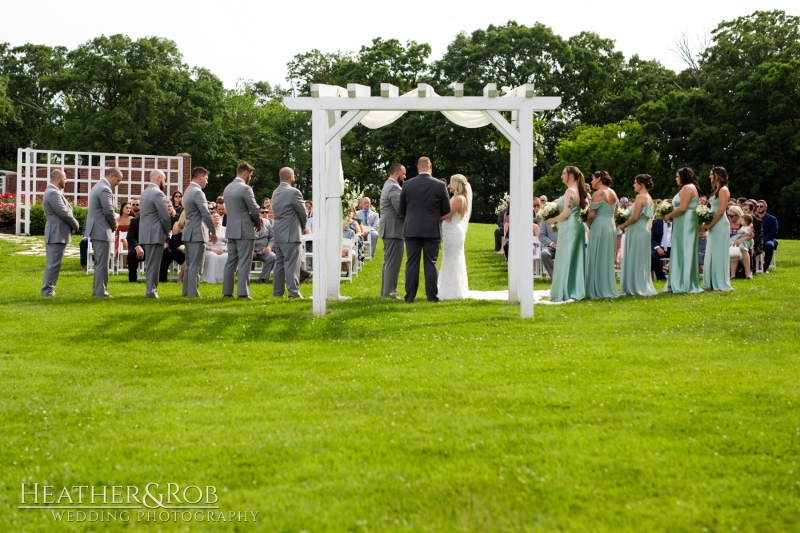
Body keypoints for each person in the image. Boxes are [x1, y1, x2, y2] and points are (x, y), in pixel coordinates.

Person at [398, 156, 451, 303]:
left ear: (417, 167)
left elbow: (401, 209)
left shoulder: (407, 185)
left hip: (412, 229)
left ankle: (409, 297)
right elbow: (446, 209)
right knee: (430, 263)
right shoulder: (440, 186)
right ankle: (432, 297)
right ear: (431, 167)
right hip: (431, 229)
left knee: (412, 262)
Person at [546, 166, 587, 302]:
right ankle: (572, 289)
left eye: (563, 173)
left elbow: (567, 213)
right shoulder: (576, 190)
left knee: (565, 258)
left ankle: (564, 290)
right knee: (571, 258)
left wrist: (553, 219)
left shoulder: (570, 191)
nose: (561, 176)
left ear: (570, 175)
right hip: (573, 226)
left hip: (569, 227)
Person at [222, 162, 262, 299]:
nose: (250, 178)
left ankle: (227, 291)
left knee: (231, 261)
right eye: (250, 175)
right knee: (245, 261)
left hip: (231, 229)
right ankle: (243, 292)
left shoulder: (227, 188)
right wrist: (258, 223)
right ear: (245, 174)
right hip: (244, 229)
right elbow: (255, 209)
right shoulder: (245, 189)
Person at [662, 167, 702, 294]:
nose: (676, 179)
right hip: (683, 220)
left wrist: (668, 216)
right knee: (682, 248)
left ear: (683, 177)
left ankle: (683, 282)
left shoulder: (687, 188)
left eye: (677, 176)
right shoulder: (690, 187)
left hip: (686, 221)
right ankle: (682, 280)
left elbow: (683, 208)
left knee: (684, 248)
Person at [41, 169, 80, 297]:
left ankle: (49, 289)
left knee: (55, 263)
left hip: (58, 233)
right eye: (65, 178)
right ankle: (47, 291)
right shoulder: (53, 193)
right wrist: (75, 224)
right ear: (58, 179)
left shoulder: (54, 192)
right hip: (56, 233)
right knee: (54, 263)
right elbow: (64, 212)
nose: (66, 181)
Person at [85, 167, 123, 297]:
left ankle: (98, 290)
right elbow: (108, 209)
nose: (118, 184)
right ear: (111, 176)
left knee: (100, 261)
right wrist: (115, 223)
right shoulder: (105, 189)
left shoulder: (98, 186)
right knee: (103, 262)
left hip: (96, 228)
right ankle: (101, 291)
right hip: (101, 228)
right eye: (118, 181)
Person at [617, 174, 656, 296]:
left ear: (642, 184)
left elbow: (635, 216)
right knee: (640, 258)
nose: (633, 185)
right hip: (644, 229)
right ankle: (640, 284)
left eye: (635, 182)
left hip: (637, 229)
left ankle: (635, 286)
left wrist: (622, 225)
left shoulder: (640, 197)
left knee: (635, 257)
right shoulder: (649, 197)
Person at [272, 167, 307, 299]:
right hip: (291, 233)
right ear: (291, 177)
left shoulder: (275, 192)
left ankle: (277, 292)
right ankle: (293, 292)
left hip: (278, 233)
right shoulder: (294, 192)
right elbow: (302, 212)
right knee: (292, 263)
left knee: (279, 263)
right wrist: (302, 226)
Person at [181, 167, 217, 298]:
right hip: (197, 232)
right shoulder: (198, 192)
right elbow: (206, 214)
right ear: (201, 176)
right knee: (196, 265)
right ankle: (193, 292)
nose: (207, 182)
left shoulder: (188, 190)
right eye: (206, 178)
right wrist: (213, 231)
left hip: (189, 230)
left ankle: (186, 291)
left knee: (190, 264)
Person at [585, 170, 620, 299]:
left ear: (599, 179)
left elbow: (592, 213)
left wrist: (588, 223)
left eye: (593, 179)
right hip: (610, 225)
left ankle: (597, 288)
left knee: (597, 255)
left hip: (600, 225)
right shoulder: (613, 193)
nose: (591, 181)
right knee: (606, 257)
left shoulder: (598, 193)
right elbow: (616, 214)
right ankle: (607, 286)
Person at [437, 174, 472, 300]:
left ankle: (451, 291)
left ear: (456, 185)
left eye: (451, 183)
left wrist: (433, 214)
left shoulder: (459, 199)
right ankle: (450, 289)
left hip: (452, 232)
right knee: (450, 259)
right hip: (451, 231)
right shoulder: (459, 197)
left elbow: (446, 215)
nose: (448, 186)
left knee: (451, 260)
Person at [138, 170, 171, 298]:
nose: (165, 182)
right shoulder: (158, 194)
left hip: (146, 232)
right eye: (164, 179)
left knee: (151, 263)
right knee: (154, 264)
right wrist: (167, 231)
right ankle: (151, 291)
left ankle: (150, 289)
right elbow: (164, 216)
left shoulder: (145, 192)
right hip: (155, 233)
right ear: (159, 178)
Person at [702, 166, 732, 291]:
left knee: (719, 252)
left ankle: (720, 281)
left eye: (711, 174)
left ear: (718, 175)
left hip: (720, 224)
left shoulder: (723, 190)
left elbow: (720, 211)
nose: (709, 177)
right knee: (712, 252)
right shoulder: (716, 190)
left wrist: (710, 224)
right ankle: (711, 281)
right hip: (714, 223)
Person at [378, 163, 406, 299]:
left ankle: (386, 292)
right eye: (403, 174)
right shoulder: (394, 186)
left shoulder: (387, 185)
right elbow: (400, 209)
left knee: (388, 262)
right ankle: (390, 293)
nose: (405, 177)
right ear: (397, 174)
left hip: (389, 229)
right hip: (394, 230)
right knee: (392, 263)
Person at [203, 213, 228, 283]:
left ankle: (223, 279)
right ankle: (211, 279)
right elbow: (203, 243)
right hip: (210, 249)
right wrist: (212, 249)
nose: (216, 218)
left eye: (217, 216)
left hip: (222, 250)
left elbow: (229, 242)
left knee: (226, 256)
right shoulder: (206, 230)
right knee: (213, 256)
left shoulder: (225, 229)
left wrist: (224, 249)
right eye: (214, 217)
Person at [253, 208, 276, 284]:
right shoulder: (248, 222)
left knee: (272, 257)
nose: (264, 213)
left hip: (263, 250)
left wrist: (269, 247)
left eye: (266, 212)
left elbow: (272, 237)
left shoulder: (267, 223)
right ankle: (243, 279)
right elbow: (244, 240)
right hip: (250, 251)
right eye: (262, 212)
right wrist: (249, 251)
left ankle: (262, 278)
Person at [756, 200, 778, 272]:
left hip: (768, 239)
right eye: (757, 206)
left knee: (769, 246)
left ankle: (765, 268)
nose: (759, 208)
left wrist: (764, 239)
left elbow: (774, 233)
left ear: (766, 207)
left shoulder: (772, 219)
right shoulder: (753, 218)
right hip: (755, 239)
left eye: (761, 206)